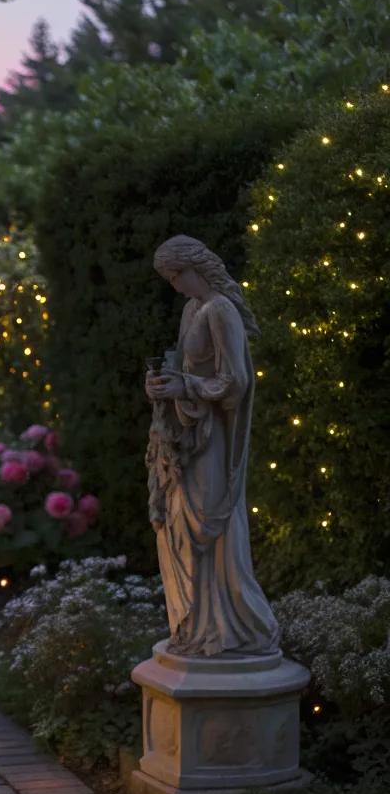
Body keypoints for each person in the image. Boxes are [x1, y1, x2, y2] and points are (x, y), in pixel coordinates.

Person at [145, 234, 280, 657]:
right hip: (188, 428)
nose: (174, 285)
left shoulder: (222, 310)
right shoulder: (192, 309)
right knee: (181, 523)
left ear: (195, 267)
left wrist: (186, 385)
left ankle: (233, 626)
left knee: (209, 522)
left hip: (212, 435)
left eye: (176, 275)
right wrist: (162, 383)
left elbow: (234, 380)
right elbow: (184, 365)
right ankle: (198, 623)